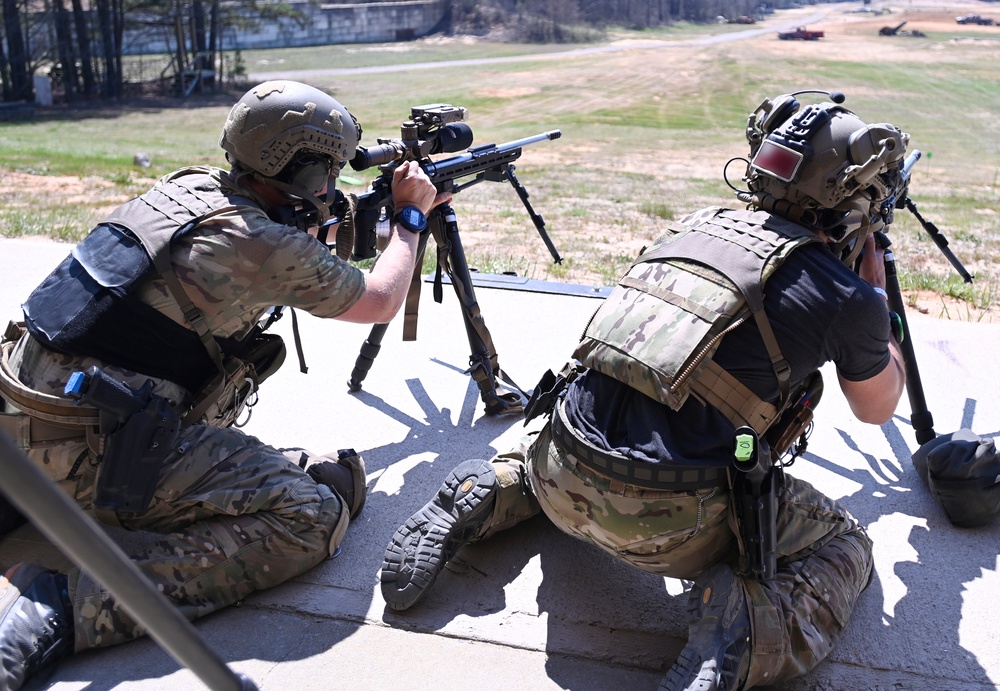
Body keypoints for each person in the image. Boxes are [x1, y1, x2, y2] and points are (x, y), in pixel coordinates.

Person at [380, 92, 909, 691]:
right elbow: (877, 407)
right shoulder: (846, 295)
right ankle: (744, 634)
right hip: (668, 525)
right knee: (845, 545)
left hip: (561, 466)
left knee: (567, 422)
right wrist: (878, 308)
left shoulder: (689, 229)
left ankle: (494, 488)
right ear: (849, 194)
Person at [0, 79, 443, 690]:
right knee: (311, 514)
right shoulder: (261, 242)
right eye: (326, 174)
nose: (330, 189)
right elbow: (379, 299)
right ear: (302, 166)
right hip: (84, 446)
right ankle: (63, 604)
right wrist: (412, 219)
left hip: (22, 408)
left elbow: (289, 249)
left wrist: (358, 223)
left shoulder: (188, 189)